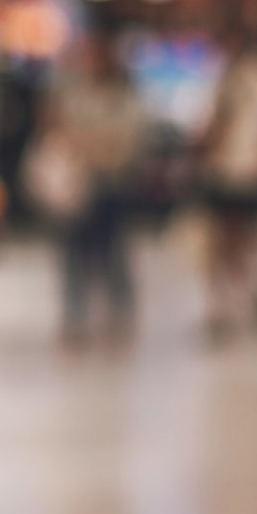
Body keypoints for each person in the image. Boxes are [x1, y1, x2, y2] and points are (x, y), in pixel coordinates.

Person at [46, 31, 148, 346]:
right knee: (74, 253)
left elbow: (132, 139)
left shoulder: (126, 97)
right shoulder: (75, 93)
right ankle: (75, 315)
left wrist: (104, 148)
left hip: (113, 183)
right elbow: (61, 128)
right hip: (80, 184)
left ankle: (120, 313)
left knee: (114, 252)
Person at [200, 20, 257, 340]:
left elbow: (220, 124)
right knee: (245, 239)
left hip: (236, 169)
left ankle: (235, 304)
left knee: (233, 240)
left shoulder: (241, 76)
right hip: (249, 169)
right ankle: (246, 302)